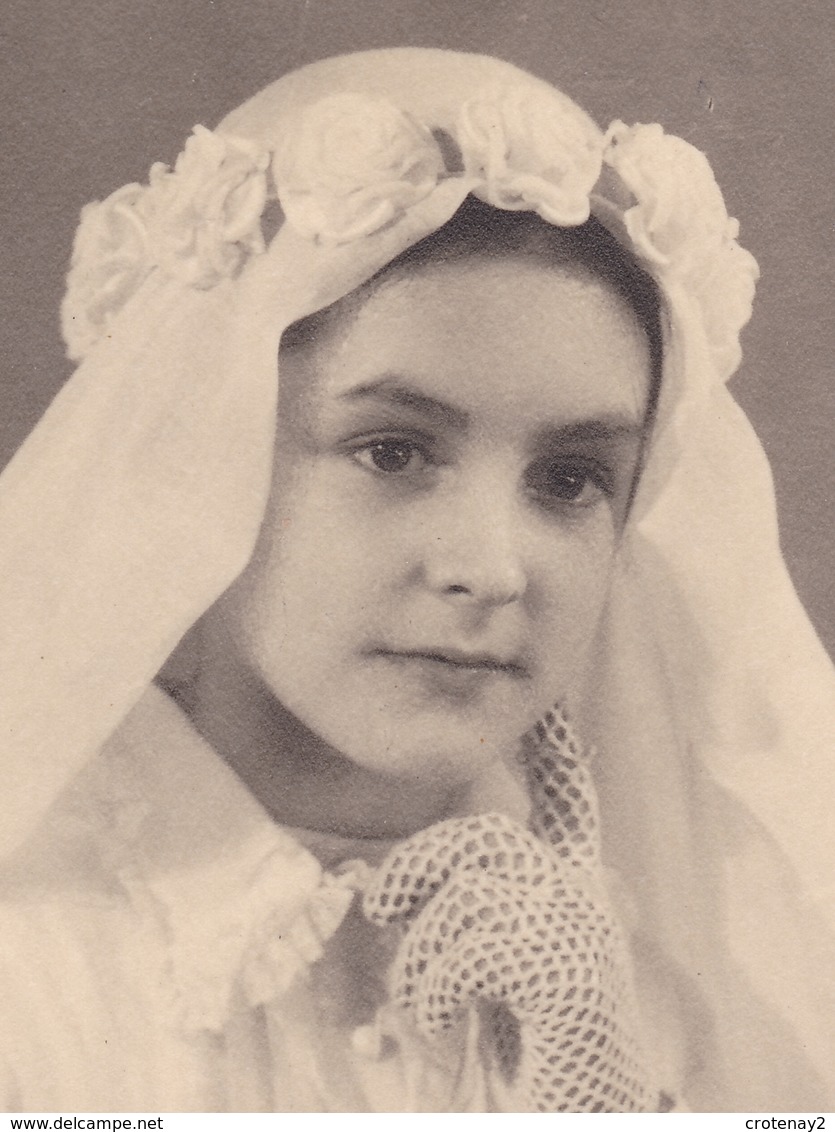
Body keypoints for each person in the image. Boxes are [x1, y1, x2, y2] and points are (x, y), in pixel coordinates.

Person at [0, 47, 833, 1113]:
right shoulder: (35, 959)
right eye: (393, 451)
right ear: (199, 455)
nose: (489, 569)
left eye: (571, 479)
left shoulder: (629, 1008)